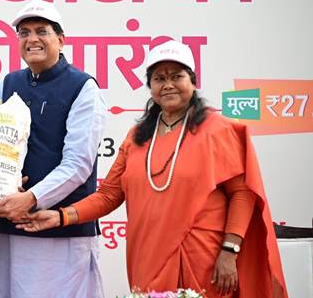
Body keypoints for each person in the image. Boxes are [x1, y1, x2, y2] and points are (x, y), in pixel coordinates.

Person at [17, 40, 288, 298]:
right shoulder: (137, 137)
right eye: (159, 79)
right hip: (147, 256)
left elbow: (242, 193)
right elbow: (108, 195)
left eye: (177, 76)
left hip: (204, 258)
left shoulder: (218, 129)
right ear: (151, 87)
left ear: (193, 81)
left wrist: (230, 250)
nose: (168, 85)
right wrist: (60, 216)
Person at [0, 0, 108, 298]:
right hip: (10, 227)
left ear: (61, 40)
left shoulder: (83, 87)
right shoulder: (6, 84)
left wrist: (31, 198)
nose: (32, 39)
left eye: (41, 31)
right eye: (24, 33)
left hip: (61, 231)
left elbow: (78, 164)